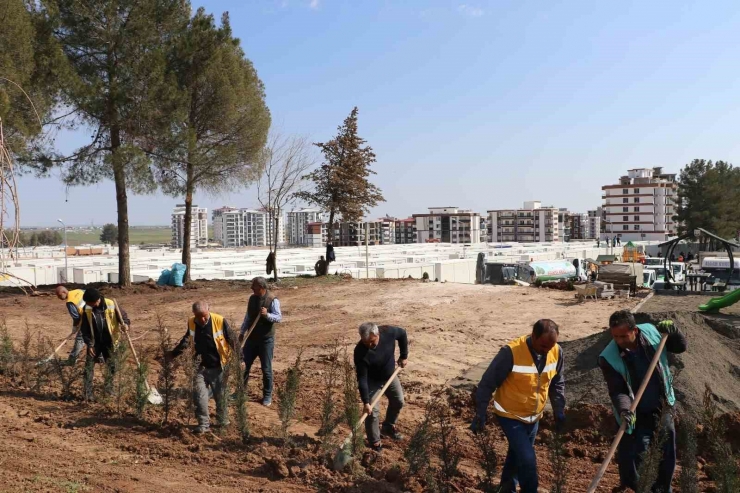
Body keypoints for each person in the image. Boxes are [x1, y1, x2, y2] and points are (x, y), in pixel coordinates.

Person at [470, 320, 565, 493]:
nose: (547, 351)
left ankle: (506, 488)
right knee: (528, 459)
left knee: (517, 454)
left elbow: (557, 382)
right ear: (533, 336)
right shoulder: (511, 352)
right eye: (543, 346)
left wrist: (559, 410)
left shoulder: (556, 351)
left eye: (551, 346)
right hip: (509, 415)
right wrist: (480, 412)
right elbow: (487, 383)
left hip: (534, 416)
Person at [599, 310, 687, 493]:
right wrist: (624, 410)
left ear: (635, 331)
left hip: (662, 404)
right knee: (639, 451)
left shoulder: (652, 333)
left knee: (666, 449)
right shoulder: (608, 357)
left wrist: (674, 331)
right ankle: (644, 488)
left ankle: (663, 489)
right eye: (615, 336)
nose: (620, 341)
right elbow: (617, 390)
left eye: (624, 336)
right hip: (635, 411)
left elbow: (680, 347)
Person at [166, 301, 236, 434]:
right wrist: (173, 354)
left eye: (204, 315)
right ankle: (203, 425)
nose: (202, 319)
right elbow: (186, 340)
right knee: (199, 396)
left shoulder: (220, 321)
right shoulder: (192, 322)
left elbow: (232, 339)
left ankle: (223, 421)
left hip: (218, 366)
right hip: (199, 367)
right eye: (198, 316)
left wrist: (241, 358)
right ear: (194, 314)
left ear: (208, 310)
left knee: (220, 396)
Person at [354, 322, 408, 452]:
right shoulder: (360, 352)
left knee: (398, 401)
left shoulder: (388, 332)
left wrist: (404, 355)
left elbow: (402, 334)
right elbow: (362, 378)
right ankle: (375, 442)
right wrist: (366, 402)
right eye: (366, 343)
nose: (369, 346)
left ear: (377, 334)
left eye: (372, 342)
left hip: (389, 376)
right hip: (371, 381)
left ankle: (388, 427)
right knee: (372, 413)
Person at [78, 288, 130, 401]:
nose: (88, 305)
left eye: (90, 303)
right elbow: (85, 329)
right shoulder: (86, 308)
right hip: (94, 342)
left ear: (97, 300)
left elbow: (124, 317)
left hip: (110, 341)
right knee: (89, 367)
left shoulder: (111, 304)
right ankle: (88, 393)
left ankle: (108, 389)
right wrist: (89, 344)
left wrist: (125, 324)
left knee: (111, 366)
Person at [239, 276, 282, 407]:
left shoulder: (272, 300)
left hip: (266, 340)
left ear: (262, 288)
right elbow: (248, 316)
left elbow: (279, 317)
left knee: (266, 369)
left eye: (254, 287)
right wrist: (242, 332)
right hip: (251, 339)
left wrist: (267, 315)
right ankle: (241, 391)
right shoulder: (252, 299)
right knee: (243, 365)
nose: (252, 288)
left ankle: (267, 395)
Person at [54, 286, 86, 365]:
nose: (59, 298)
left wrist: (75, 327)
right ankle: (101, 356)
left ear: (64, 292)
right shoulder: (79, 290)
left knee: (80, 339)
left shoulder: (70, 302)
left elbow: (76, 317)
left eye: (59, 295)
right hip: (96, 314)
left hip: (86, 319)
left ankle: (72, 360)